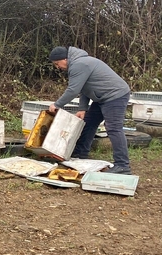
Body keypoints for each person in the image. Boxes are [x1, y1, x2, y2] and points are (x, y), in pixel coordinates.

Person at [47, 46, 132, 174]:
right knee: (89, 123)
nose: (58, 67)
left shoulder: (79, 65)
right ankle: (80, 154)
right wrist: (82, 108)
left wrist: (57, 104)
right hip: (102, 98)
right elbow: (84, 88)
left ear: (65, 59)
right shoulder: (79, 63)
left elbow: (73, 90)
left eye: (57, 64)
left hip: (115, 95)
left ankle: (122, 165)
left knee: (114, 128)